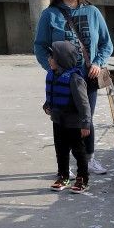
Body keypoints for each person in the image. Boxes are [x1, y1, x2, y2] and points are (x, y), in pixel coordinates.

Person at [34, 0, 113, 175]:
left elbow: (106, 44)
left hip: (88, 77)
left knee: (86, 118)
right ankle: (66, 165)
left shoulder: (93, 12)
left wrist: (98, 62)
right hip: (63, 79)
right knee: (65, 121)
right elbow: (39, 45)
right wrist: (48, 61)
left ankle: (89, 159)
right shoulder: (49, 15)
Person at [43, 41, 91, 193]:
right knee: (61, 150)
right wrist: (47, 105)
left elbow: (84, 104)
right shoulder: (54, 75)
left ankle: (83, 178)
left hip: (74, 123)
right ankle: (63, 176)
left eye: (52, 57)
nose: (49, 60)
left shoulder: (75, 80)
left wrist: (85, 124)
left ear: (62, 60)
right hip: (58, 121)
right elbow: (53, 94)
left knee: (78, 151)